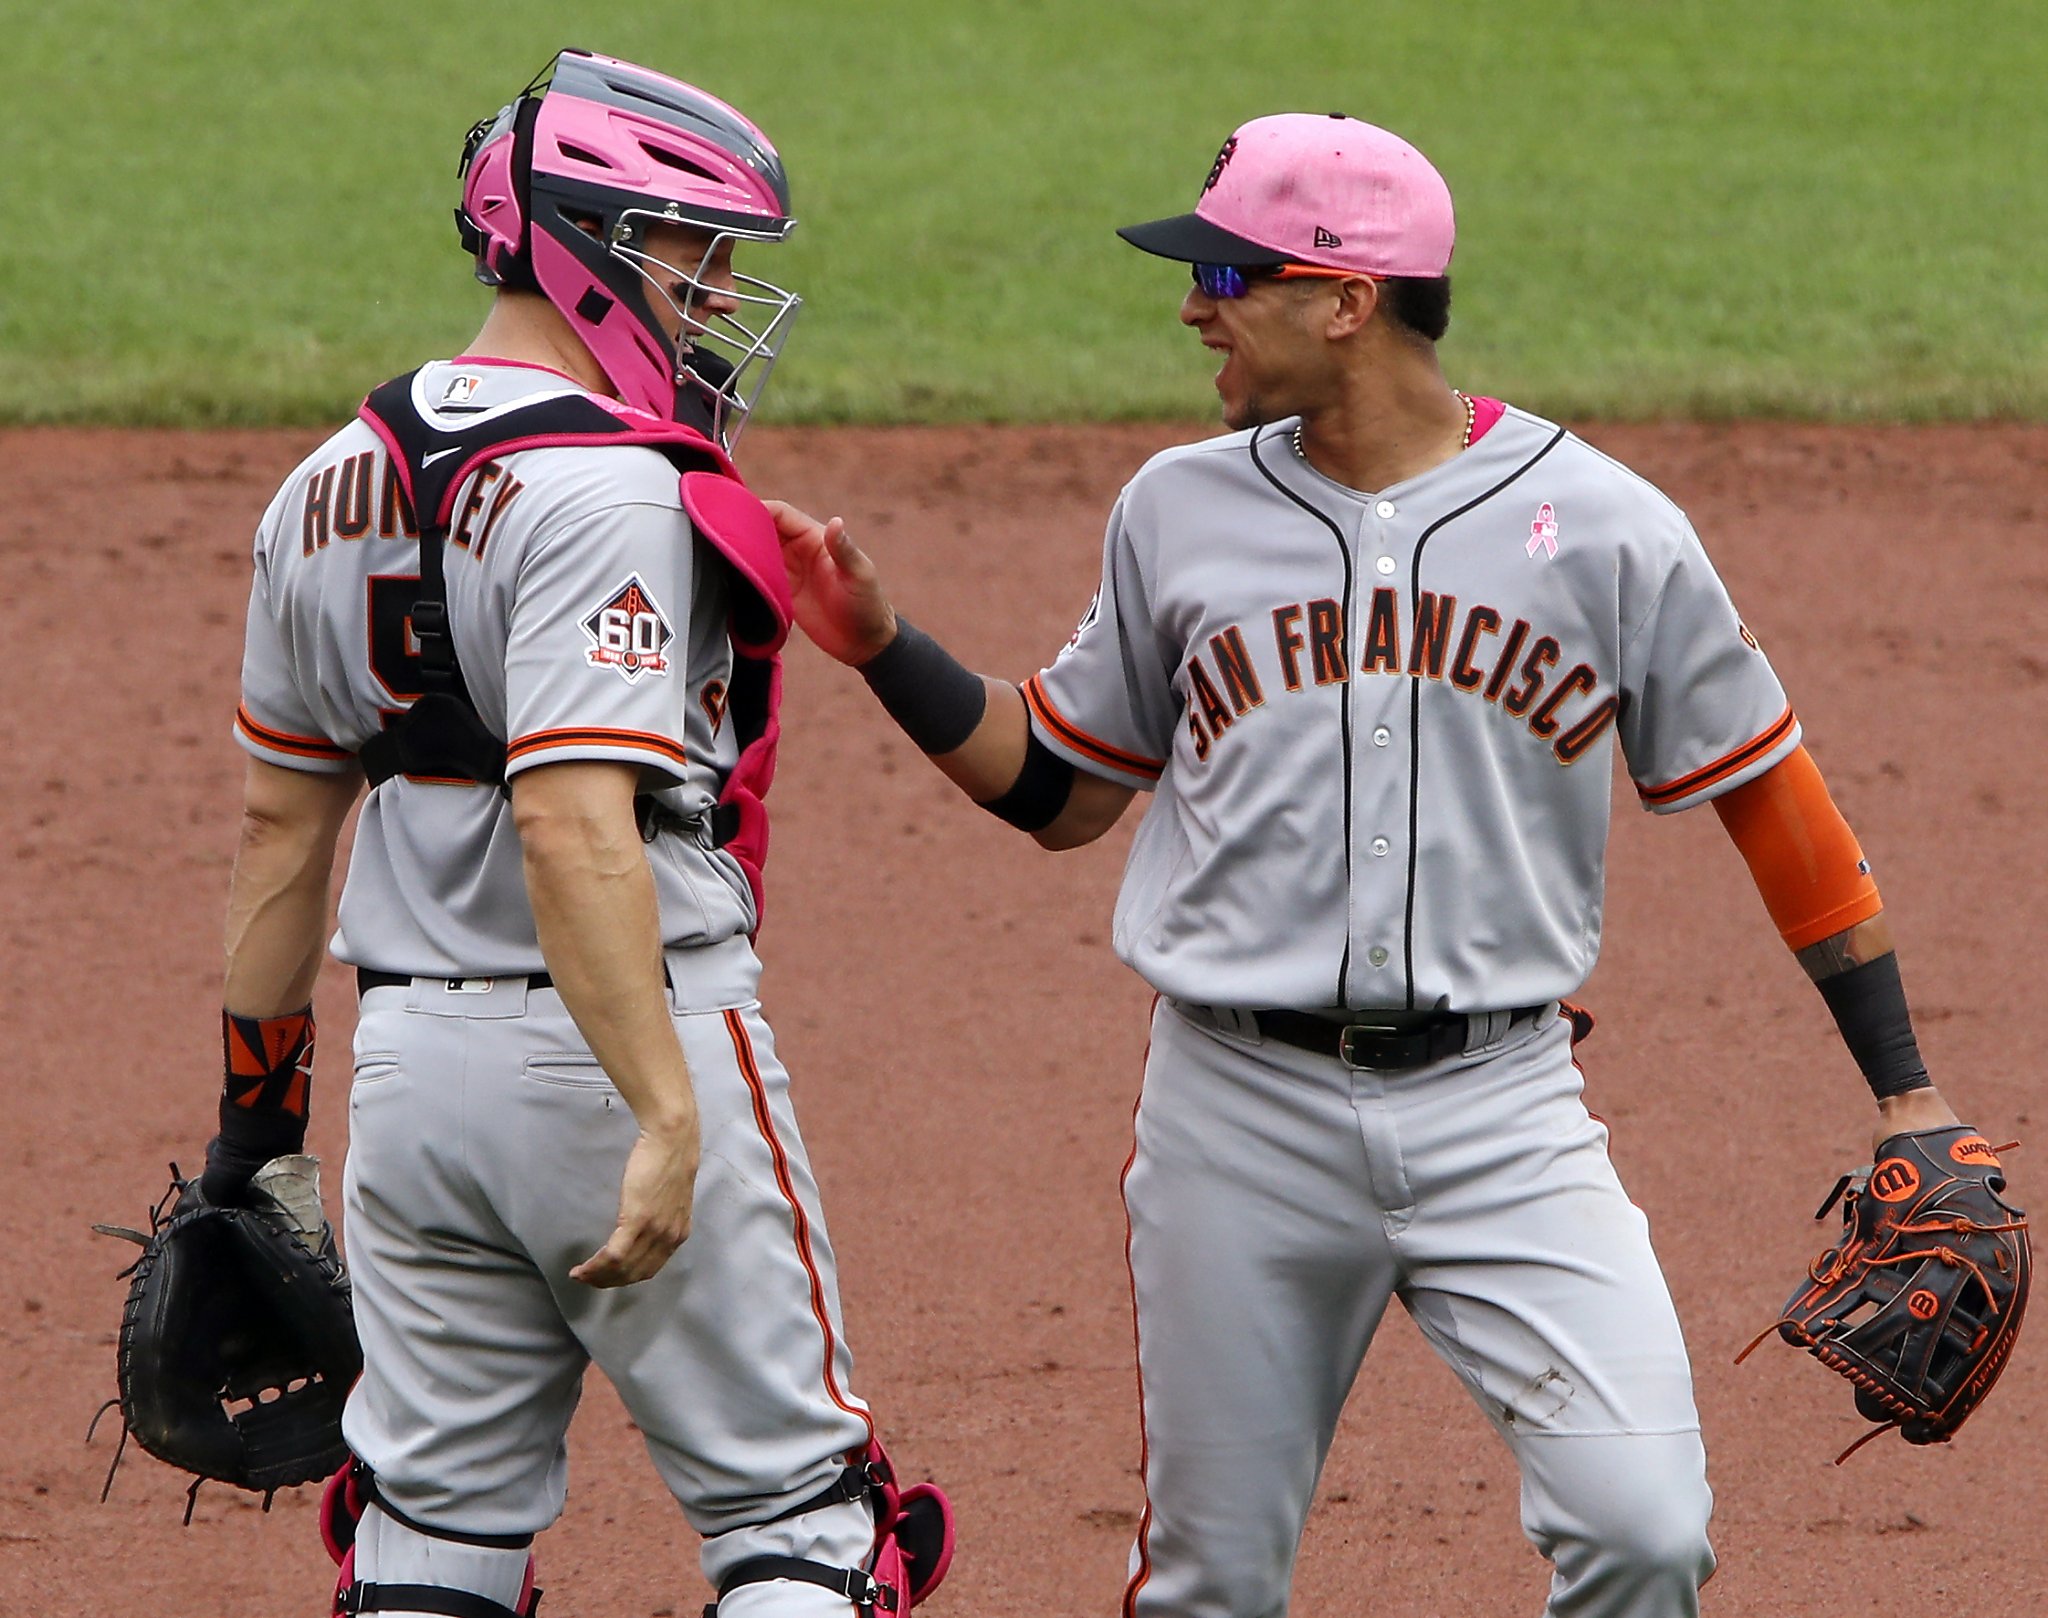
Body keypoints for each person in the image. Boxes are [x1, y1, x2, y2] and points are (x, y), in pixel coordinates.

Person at [765, 113, 1989, 1617]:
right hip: (1239, 1113)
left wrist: (1907, 1087)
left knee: (1649, 1528)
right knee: (1213, 1580)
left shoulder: (1606, 528)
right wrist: (884, 648)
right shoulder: (1176, 508)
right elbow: (1065, 791)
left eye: (1224, 269)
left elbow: (1772, 797)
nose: (1191, 303)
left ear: (1347, 300)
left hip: (1506, 1109)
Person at [200, 49, 946, 1618]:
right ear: (583, 241)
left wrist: (254, 1136)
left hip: (411, 1088)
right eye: (693, 252)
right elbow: (575, 825)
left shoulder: (320, 483)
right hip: (621, 1041)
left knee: (427, 1540)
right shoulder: (612, 488)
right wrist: (664, 1111)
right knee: (804, 1529)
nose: (720, 293)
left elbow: (282, 831)